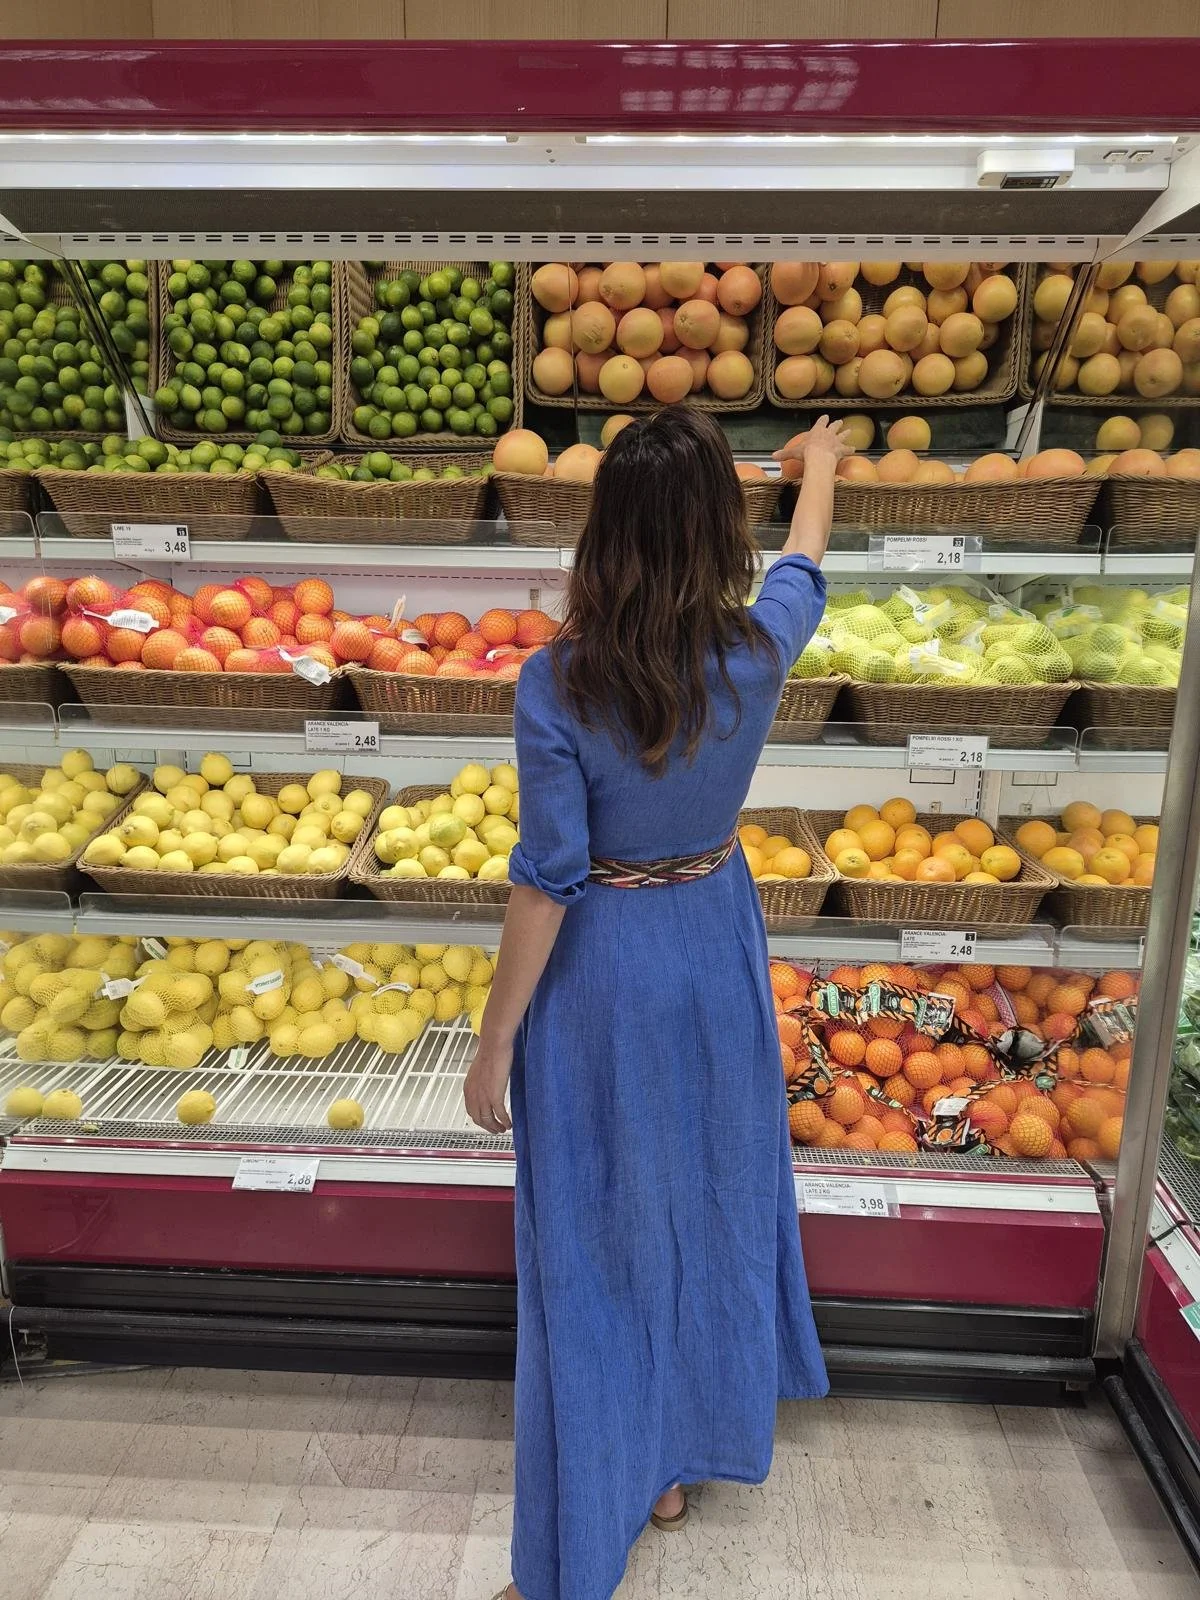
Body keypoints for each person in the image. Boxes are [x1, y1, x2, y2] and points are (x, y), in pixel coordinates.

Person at [465, 409, 853, 1600]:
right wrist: (820, 471)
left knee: (598, 1223)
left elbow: (547, 881)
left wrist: (493, 1042)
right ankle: (681, 1457)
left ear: (604, 534)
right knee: (704, 1198)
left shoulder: (555, 683)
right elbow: (806, 565)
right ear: (712, 535)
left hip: (602, 969)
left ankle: (621, 1471)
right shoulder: (756, 649)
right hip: (714, 942)